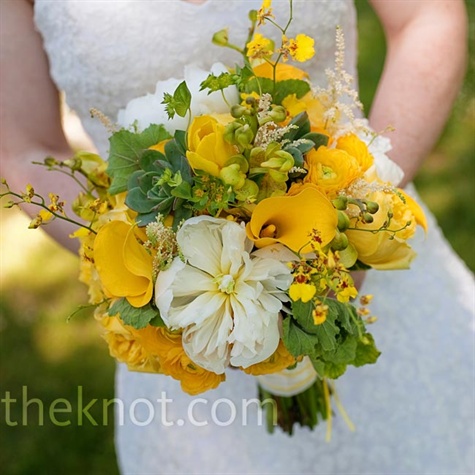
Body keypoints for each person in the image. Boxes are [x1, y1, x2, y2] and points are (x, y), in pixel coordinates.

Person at [1, 0, 473, 473]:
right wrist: (150, 265)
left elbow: (425, 16)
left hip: (366, 261)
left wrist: (357, 208)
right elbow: (26, 151)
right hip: (186, 330)